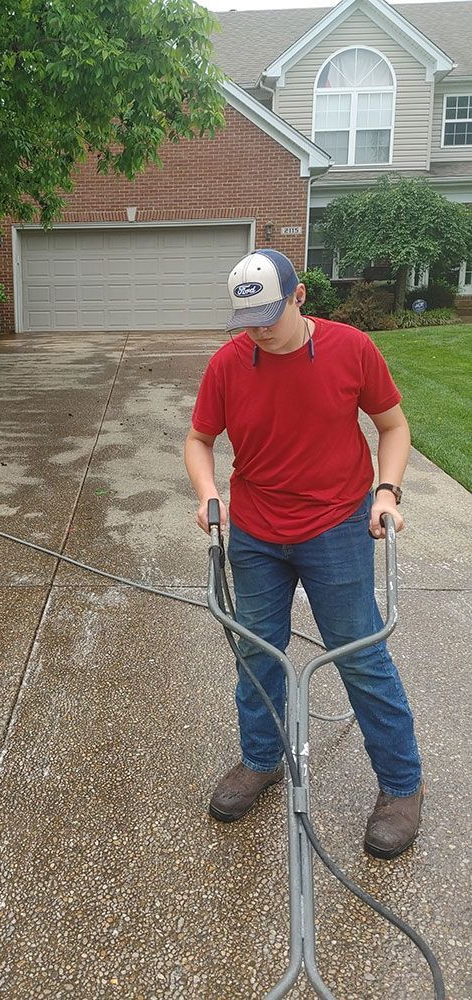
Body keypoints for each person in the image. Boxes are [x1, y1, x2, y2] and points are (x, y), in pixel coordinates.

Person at [184, 248, 423, 860]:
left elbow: (393, 427)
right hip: (258, 534)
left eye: (270, 313)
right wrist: (210, 495)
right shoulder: (229, 364)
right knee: (257, 654)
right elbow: (199, 439)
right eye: (248, 319)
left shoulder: (351, 349)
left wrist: (386, 492)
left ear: (298, 297)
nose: (260, 329)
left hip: (337, 526)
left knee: (360, 657)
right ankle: (261, 761)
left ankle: (401, 785)